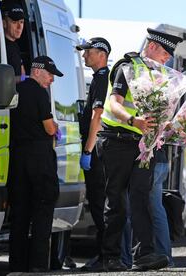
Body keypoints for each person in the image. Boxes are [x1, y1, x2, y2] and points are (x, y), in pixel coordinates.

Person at [97, 28, 184, 271]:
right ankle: (111, 256)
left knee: (141, 196)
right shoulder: (128, 67)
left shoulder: (159, 75)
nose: (168, 59)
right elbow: (115, 103)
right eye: (166, 53)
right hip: (118, 139)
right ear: (153, 46)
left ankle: (143, 254)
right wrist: (132, 121)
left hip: (144, 144)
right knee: (117, 201)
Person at [7, 56, 63, 272]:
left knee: (20, 213)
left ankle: (16, 265)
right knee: (42, 211)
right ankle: (38, 267)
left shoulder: (17, 89)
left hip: (18, 156)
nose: (51, 80)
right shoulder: (39, 93)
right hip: (39, 158)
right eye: (50, 75)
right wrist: (55, 126)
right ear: (37, 71)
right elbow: (49, 128)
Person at [75, 37, 111, 271]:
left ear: (101, 54)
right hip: (100, 150)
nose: (84, 55)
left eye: (88, 51)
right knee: (101, 204)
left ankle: (106, 256)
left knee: (99, 205)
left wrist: (87, 150)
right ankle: (107, 254)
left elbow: (96, 118)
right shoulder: (103, 77)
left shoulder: (101, 78)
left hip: (97, 151)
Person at [150, 147, 173, 265]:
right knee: (157, 211)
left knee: (133, 210)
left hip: (149, 162)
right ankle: (165, 256)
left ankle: (125, 258)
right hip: (161, 160)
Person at [2, 3, 26, 82]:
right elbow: (2, 80)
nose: (19, 27)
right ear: (4, 23)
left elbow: (22, 74)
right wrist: (25, 79)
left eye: (21, 22)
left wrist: (23, 78)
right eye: (14, 22)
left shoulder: (15, 46)